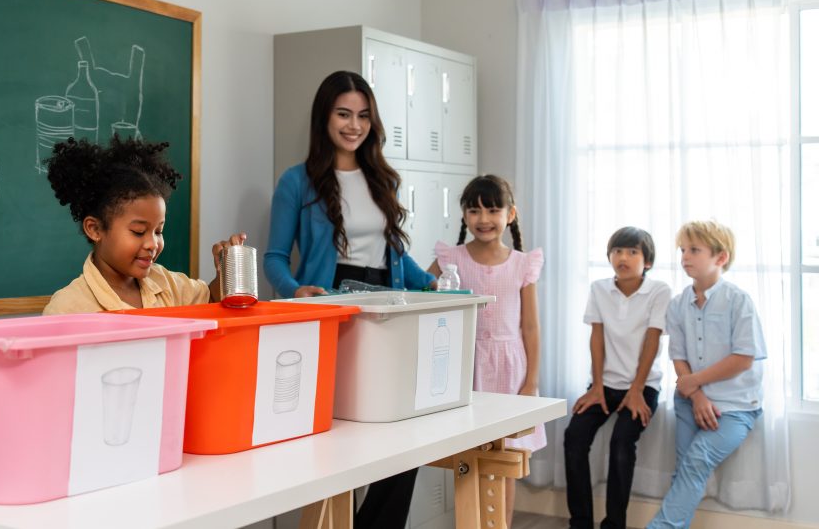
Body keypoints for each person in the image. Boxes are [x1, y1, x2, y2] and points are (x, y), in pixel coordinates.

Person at [264, 70, 435, 529]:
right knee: (338, 440)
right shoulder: (296, 182)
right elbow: (276, 257)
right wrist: (295, 290)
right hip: (333, 307)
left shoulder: (384, 179)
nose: (353, 125)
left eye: (363, 115)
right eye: (343, 113)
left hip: (386, 308)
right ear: (325, 117)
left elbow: (396, 256)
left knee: (402, 436)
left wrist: (433, 283)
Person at [429, 174, 544, 527]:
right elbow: (422, 296)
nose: (483, 219)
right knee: (469, 456)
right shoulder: (451, 259)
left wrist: (531, 383)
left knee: (505, 462)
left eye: (493, 210)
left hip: (510, 370)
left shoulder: (523, 263)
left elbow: (530, 327)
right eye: (474, 210)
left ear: (511, 214)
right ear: (464, 216)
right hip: (468, 368)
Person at [646, 221, 766, 529]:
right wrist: (696, 395)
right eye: (682, 250)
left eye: (694, 250)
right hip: (690, 400)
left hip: (736, 406)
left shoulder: (738, 301)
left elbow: (743, 358)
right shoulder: (677, 305)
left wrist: (695, 383)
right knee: (686, 468)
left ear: (720, 257)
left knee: (696, 461)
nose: (685, 256)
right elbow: (679, 356)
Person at [42, 136, 246, 314]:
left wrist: (225, 274)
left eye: (159, 231)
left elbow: (210, 299)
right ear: (95, 229)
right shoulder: (67, 308)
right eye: (138, 232)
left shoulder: (167, 284)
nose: (152, 244)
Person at [564, 227, 672, 529]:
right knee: (574, 437)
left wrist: (637, 391)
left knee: (621, 444)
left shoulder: (659, 291)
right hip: (604, 385)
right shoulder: (599, 289)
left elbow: (653, 342)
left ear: (647, 261)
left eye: (632, 252)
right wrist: (596, 386)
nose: (623, 257)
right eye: (617, 251)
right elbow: (596, 338)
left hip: (643, 387)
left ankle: (614, 524)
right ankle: (580, 522)